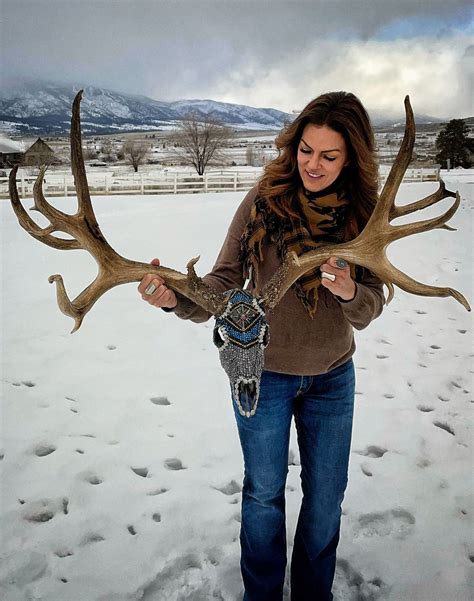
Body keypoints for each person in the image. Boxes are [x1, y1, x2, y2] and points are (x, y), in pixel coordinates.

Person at [138, 91, 385, 601]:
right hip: (261, 374)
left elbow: (371, 304)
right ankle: (263, 593)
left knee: (324, 499)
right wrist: (174, 298)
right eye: (306, 150)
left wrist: (348, 290)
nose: (313, 165)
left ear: (352, 158)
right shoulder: (261, 201)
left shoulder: (364, 217)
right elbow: (224, 283)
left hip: (332, 376)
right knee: (265, 494)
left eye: (329, 155)